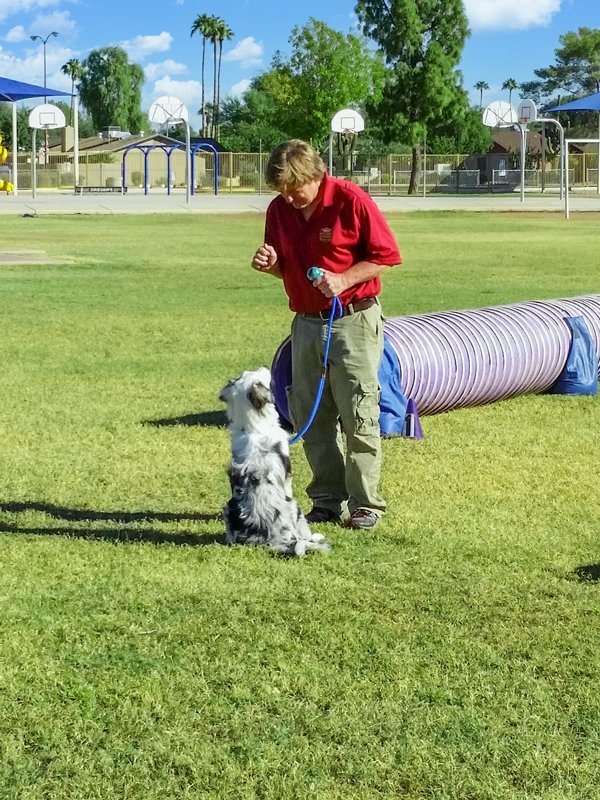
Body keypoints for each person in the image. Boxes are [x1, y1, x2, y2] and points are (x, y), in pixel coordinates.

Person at [251, 139, 402, 530]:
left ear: (314, 176)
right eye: (280, 190)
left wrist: (344, 278)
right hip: (305, 324)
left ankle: (366, 504)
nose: (287, 197)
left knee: (358, 412)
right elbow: (283, 266)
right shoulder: (280, 210)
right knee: (311, 415)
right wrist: (268, 264)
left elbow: (386, 256)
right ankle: (325, 501)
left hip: (353, 321)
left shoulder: (351, 200)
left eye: (293, 188)